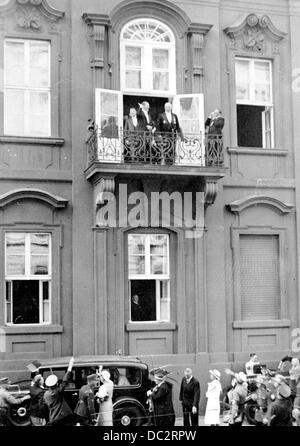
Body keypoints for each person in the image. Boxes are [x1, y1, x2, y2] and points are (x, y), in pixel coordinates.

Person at [44, 356, 75, 426]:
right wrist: (69, 369)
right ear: (56, 384)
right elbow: (64, 381)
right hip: (61, 416)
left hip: (53, 416)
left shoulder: (46, 394)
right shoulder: (56, 392)